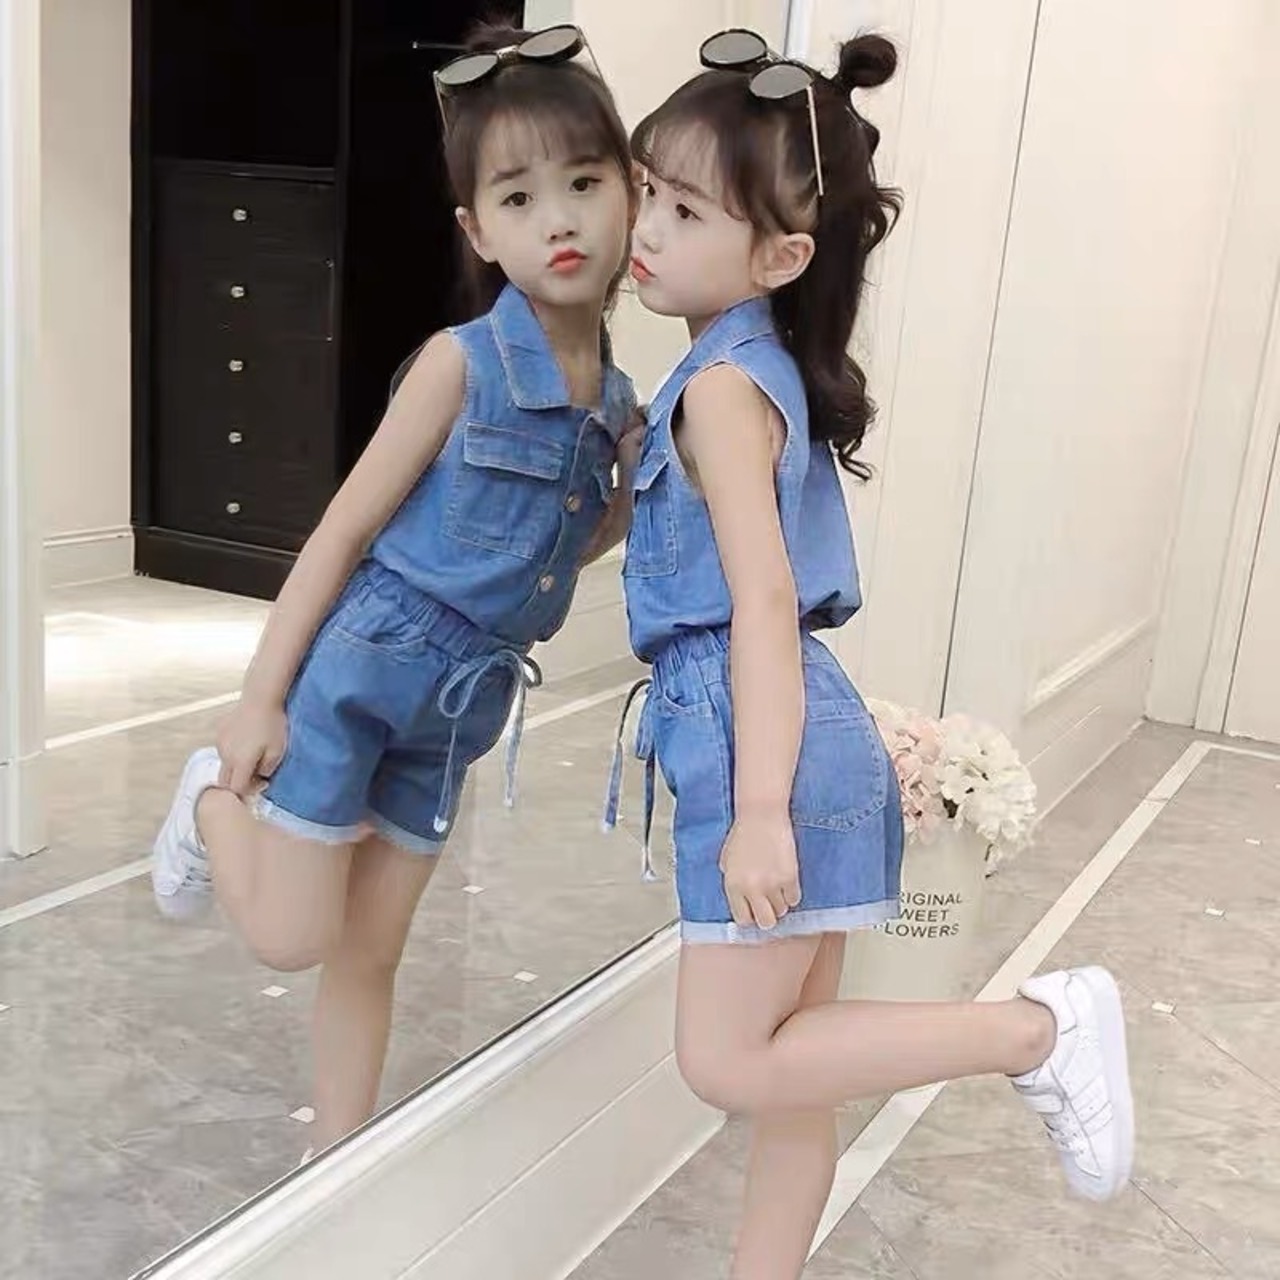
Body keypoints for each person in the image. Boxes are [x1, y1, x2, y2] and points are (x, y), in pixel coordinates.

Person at [613, 28, 1134, 1278]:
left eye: (684, 209)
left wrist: (756, 811)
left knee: (726, 1060)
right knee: (796, 1073)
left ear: (780, 256)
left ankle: (1031, 1030)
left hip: (763, 737)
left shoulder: (721, 387)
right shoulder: (748, 367)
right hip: (805, 730)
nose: (646, 228)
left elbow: (759, 601)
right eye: (645, 190)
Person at [151, 20, 641, 1157]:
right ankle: (209, 803)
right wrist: (257, 700)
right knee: (290, 937)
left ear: (629, 188)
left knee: (371, 952)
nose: (558, 220)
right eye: (517, 197)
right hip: (365, 669)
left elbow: (557, 553)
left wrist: (625, 497)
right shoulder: (459, 363)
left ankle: (333, 1159)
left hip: (464, 706)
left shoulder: (616, 403)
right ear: (477, 229)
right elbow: (341, 534)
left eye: (583, 182)